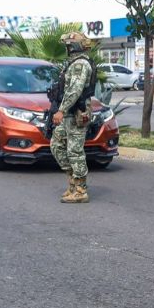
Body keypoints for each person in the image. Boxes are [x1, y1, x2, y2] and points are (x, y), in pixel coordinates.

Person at [51, 32, 96, 203]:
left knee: (75, 151)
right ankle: (72, 182)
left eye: (69, 45)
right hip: (69, 113)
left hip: (77, 113)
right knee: (56, 144)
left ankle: (80, 190)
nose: (67, 48)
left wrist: (61, 110)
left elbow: (75, 90)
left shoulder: (81, 64)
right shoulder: (73, 63)